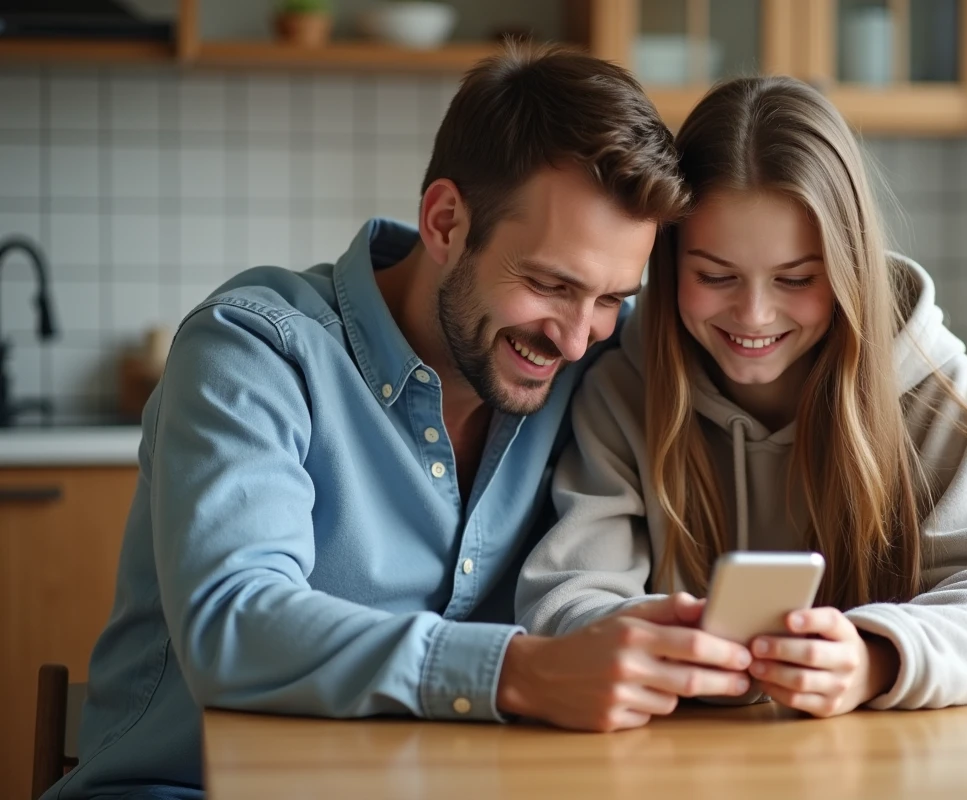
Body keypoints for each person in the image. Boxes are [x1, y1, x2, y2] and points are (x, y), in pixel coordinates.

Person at [47, 46, 763, 800]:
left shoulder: (595, 363)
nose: (578, 336)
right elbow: (235, 623)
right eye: (552, 284)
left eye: (613, 298)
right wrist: (520, 672)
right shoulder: (253, 350)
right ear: (446, 221)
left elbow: (788, 321)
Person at [516, 75, 967, 721]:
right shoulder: (622, 388)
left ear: (847, 267)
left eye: (797, 278)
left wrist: (874, 658)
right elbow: (564, 600)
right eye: (715, 275)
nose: (753, 314)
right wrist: (656, 641)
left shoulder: (935, 387)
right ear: (667, 265)